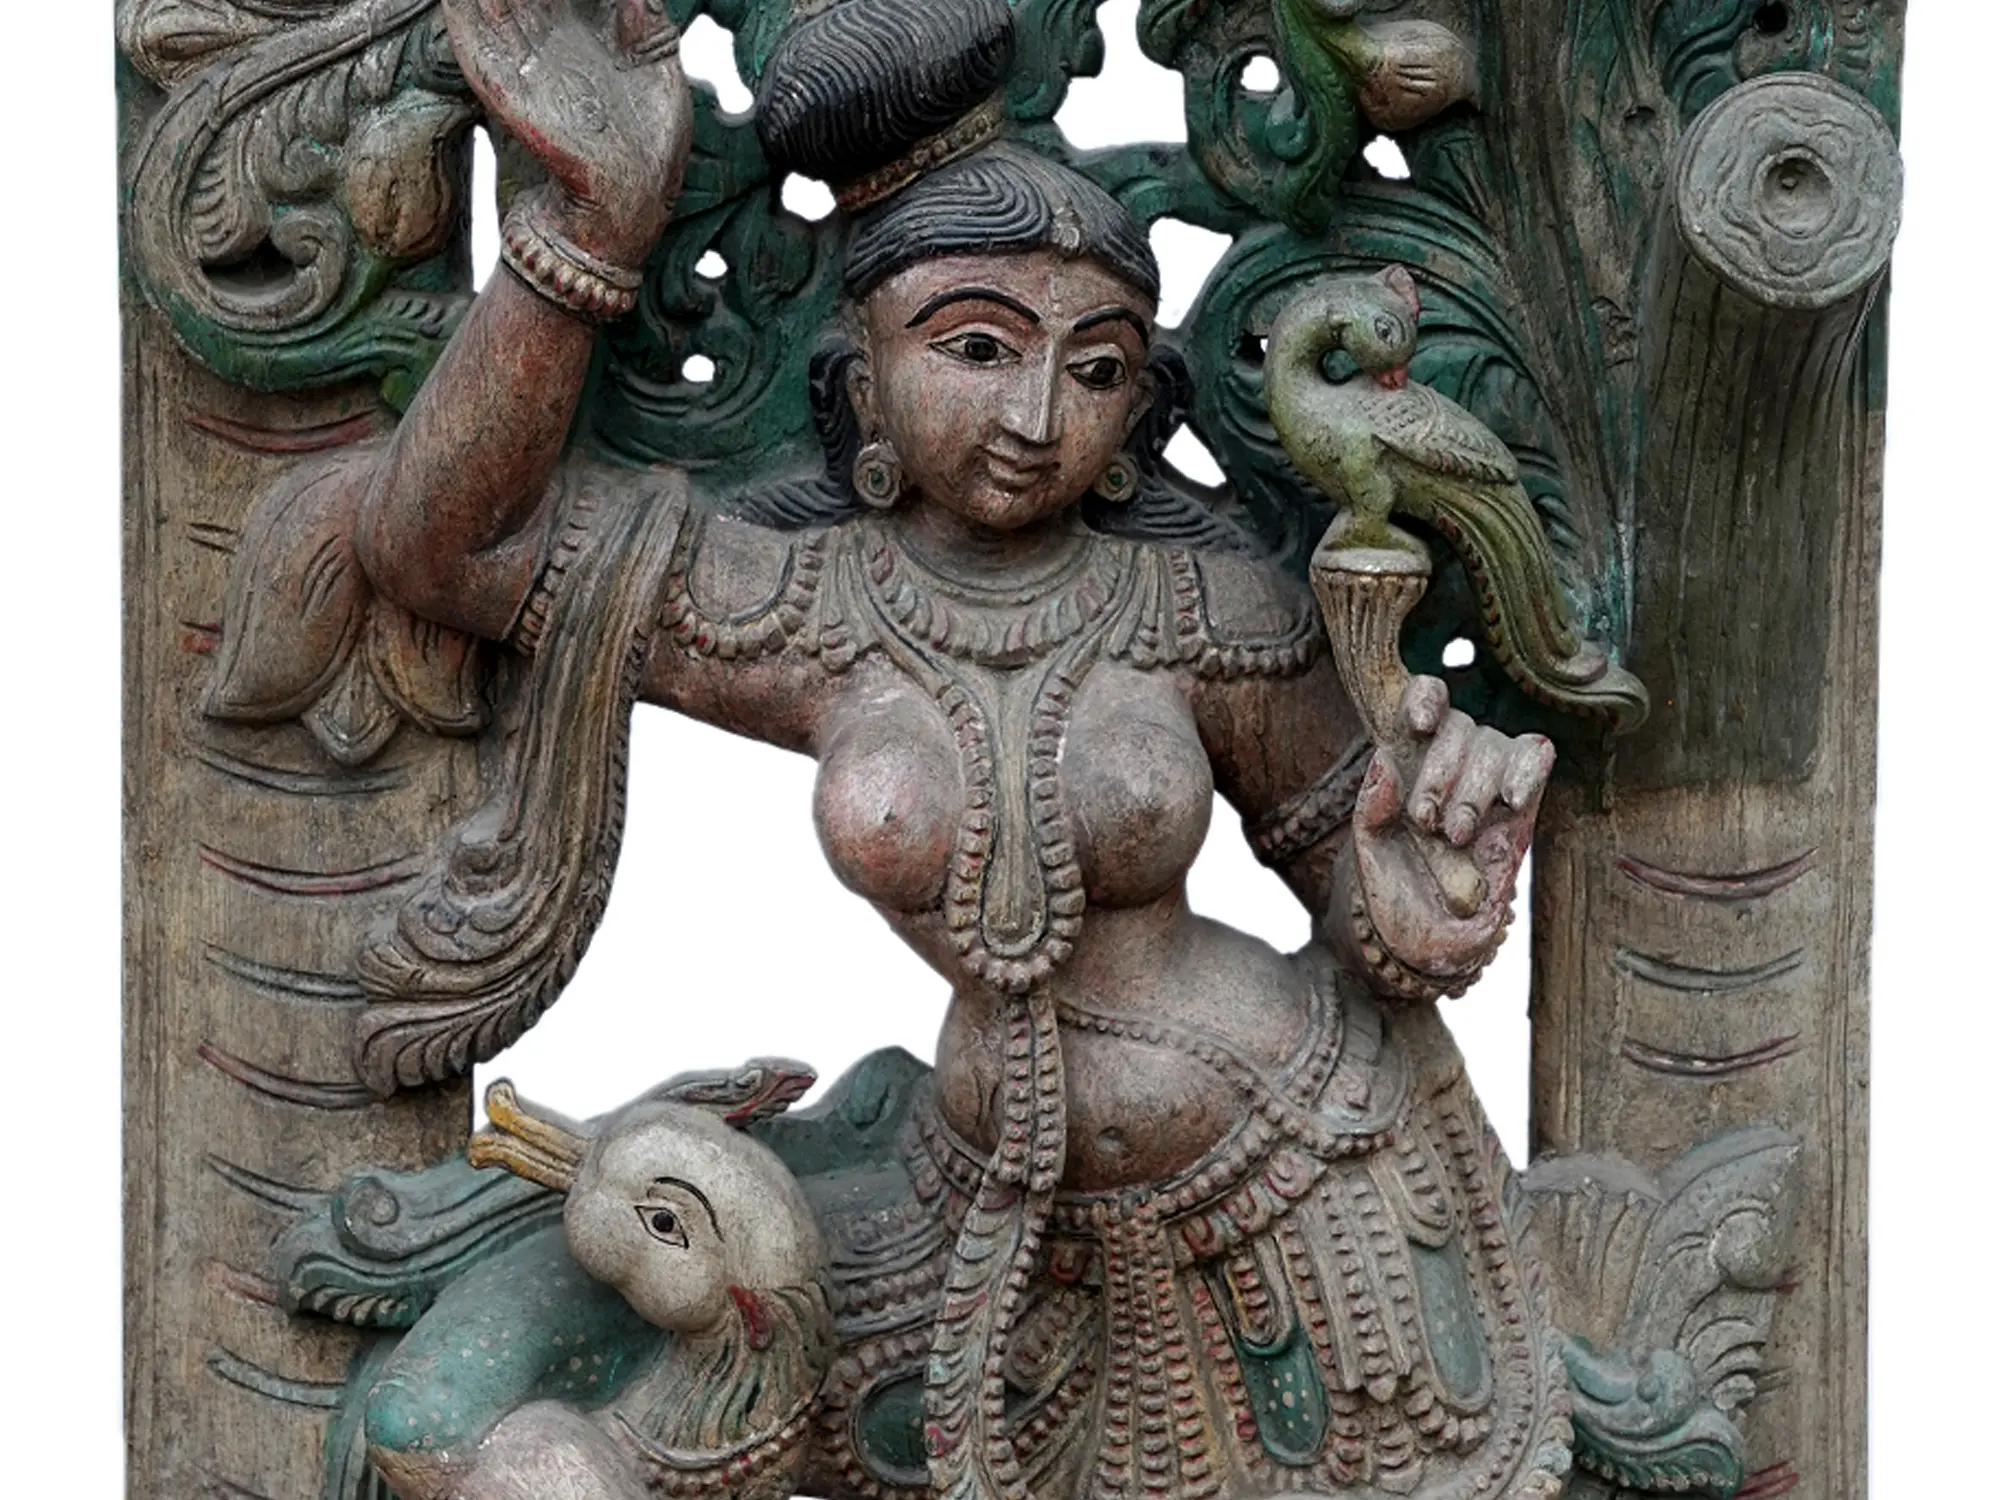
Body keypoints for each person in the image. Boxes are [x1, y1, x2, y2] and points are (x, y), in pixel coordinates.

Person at [241, 1, 1574, 1495]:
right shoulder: (803, 610)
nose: (1036, 414)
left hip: (1305, 1171)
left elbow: (1364, 890)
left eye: (1096, 368)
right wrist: (593, 229)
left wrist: (1422, 896)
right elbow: (448, 546)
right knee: (489, 1419)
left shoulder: (1206, 611)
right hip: (990, 1207)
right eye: (978, 348)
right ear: (863, 378)